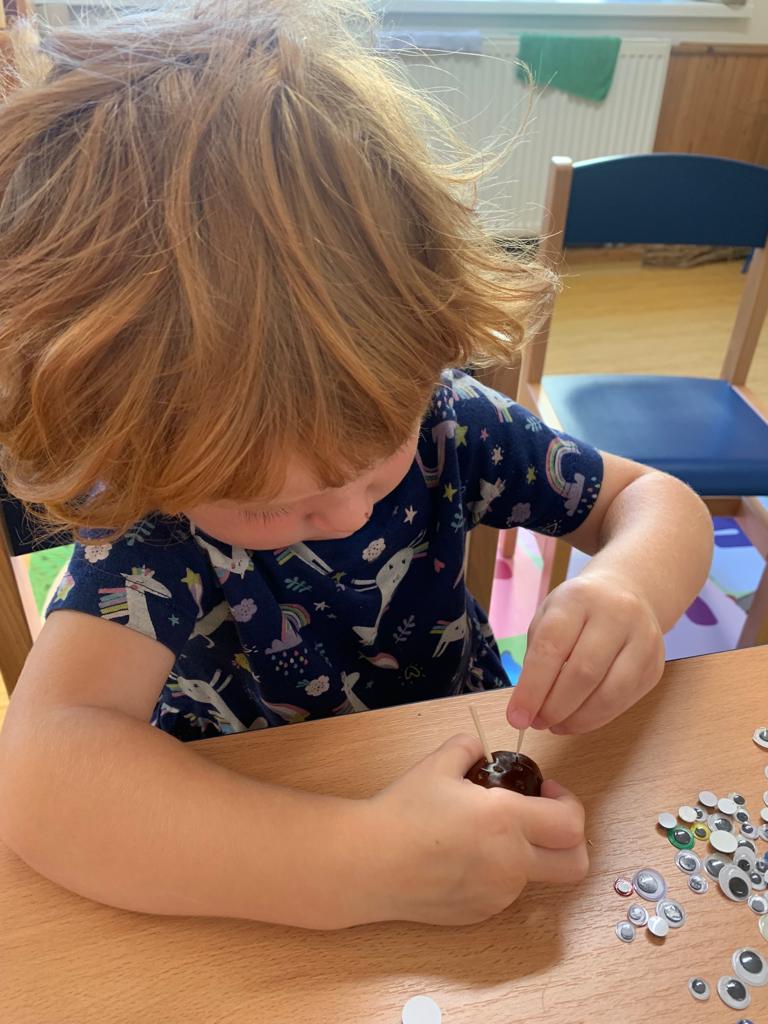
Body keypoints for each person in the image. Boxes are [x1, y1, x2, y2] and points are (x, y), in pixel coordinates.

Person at [0, 1, 713, 930]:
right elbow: (41, 779)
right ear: (139, 456)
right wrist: (354, 866)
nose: (343, 513)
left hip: (467, 785)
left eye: (376, 463)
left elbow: (654, 500)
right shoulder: (151, 525)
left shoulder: (449, 423)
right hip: (243, 861)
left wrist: (630, 590)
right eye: (264, 505)